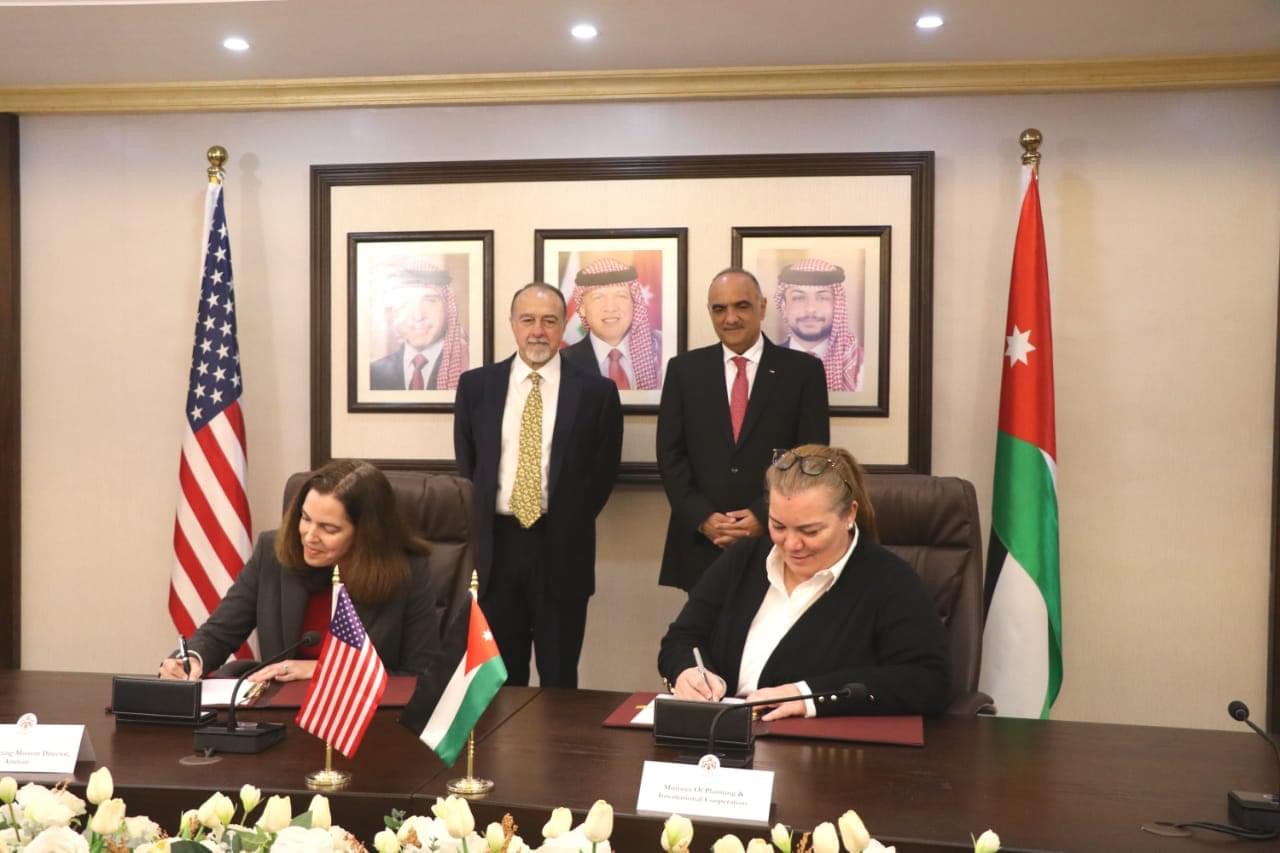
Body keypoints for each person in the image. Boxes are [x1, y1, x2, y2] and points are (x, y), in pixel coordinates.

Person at [658, 445, 950, 718]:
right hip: (724, 738)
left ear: (849, 514)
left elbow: (928, 680)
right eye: (778, 526)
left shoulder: (889, 580)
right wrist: (687, 672)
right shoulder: (744, 559)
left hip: (823, 749)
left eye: (810, 531)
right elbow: (681, 639)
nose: (792, 544)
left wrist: (808, 696)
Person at [453, 282, 623, 687]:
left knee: (560, 676)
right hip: (497, 548)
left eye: (549, 321)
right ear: (512, 324)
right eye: (527, 320)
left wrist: (567, 515)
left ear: (565, 325)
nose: (537, 331)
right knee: (498, 678)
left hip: (562, 546)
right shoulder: (476, 387)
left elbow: (601, 475)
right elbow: (469, 465)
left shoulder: (597, 393)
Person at [159, 459, 464, 682]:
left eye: (329, 528)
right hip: (283, 718)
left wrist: (325, 671)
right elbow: (218, 633)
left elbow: (419, 676)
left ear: (366, 534)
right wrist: (190, 659)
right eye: (305, 519)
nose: (309, 536)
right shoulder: (272, 553)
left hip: (367, 722)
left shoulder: (407, 570)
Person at [655, 267, 829, 591]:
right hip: (702, 543)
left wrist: (764, 514)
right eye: (719, 309)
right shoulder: (684, 371)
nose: (730, 318)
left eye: (742, 306)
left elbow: (812, 457)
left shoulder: (803, 372)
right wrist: (703, 518)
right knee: (705, 625)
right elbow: (670, 455)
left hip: (777, 538)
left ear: (762, 307)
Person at [561, 258, 663, 390]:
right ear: (582, 308)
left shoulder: (661, 351)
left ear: (634, 303)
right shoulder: (563, 361)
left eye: (620, 296)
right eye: (598, 297)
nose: (610, 308)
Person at [369, 262, 468, 391]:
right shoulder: (373, 374)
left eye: (430, 301)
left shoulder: (468, 367)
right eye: (405, 303)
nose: (418, 316)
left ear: (448, 308)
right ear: (394, 313)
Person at [775, 258, 865, 392]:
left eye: (822, 298)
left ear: (837, 306)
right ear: (784, 308)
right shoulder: (764, 361)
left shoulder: (861, 364)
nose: (810, 309)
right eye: (799, 298)